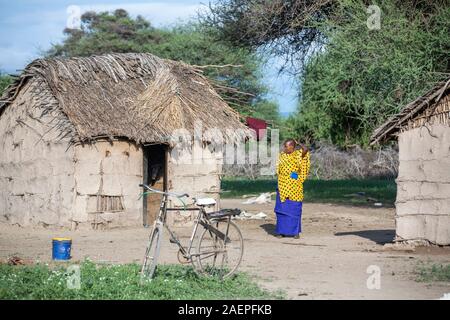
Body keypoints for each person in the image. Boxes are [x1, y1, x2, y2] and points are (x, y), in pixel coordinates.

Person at [274, 139, 311, 239]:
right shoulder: (282, 155)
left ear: (292, 147)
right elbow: (278, 169)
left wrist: (299, 143)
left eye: (287, 146)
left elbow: (306, 150)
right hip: (282, 186)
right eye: (284, 146)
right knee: (281, 210)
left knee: (294, 210)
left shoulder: (298, 154)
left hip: (295, 187)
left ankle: (295, 232)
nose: (285, 148)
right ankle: (281, 232)